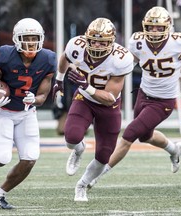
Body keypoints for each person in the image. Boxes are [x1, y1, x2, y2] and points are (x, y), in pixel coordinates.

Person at [87, 6, 181, 189]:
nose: (154, 31)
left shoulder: (177, 43)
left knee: (128, 135)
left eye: (159, 27)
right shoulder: (138, 42)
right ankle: (174, 150)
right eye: (151, 27)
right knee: (146, 137)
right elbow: (127, 63)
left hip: (163, 102)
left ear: (168, 27)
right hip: (143, 95)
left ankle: (95, 176)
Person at [52, 17, 134, 202]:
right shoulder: (76, 45)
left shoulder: (121, 58)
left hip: (108, 105)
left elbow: (109, 97)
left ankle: (82, 185)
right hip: (84, 99)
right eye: (93, 40)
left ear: (111, 42)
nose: (96, 45)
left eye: (102, 41)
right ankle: (79, 149)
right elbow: (65, 56)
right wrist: (59, 79)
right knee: (71, 138)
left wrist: (85, 84)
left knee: (104, 155)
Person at [0, 18, 57, 209]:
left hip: (26, 112)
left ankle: (0, 194)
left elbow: (43, 95)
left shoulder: (47, 58)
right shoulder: (6, 55)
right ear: (16, 39)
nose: (31, 43)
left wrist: (35, 100)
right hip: (3, 111)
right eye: (26, 38)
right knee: (1, 160)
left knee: (30, 158)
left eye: (34, 38)